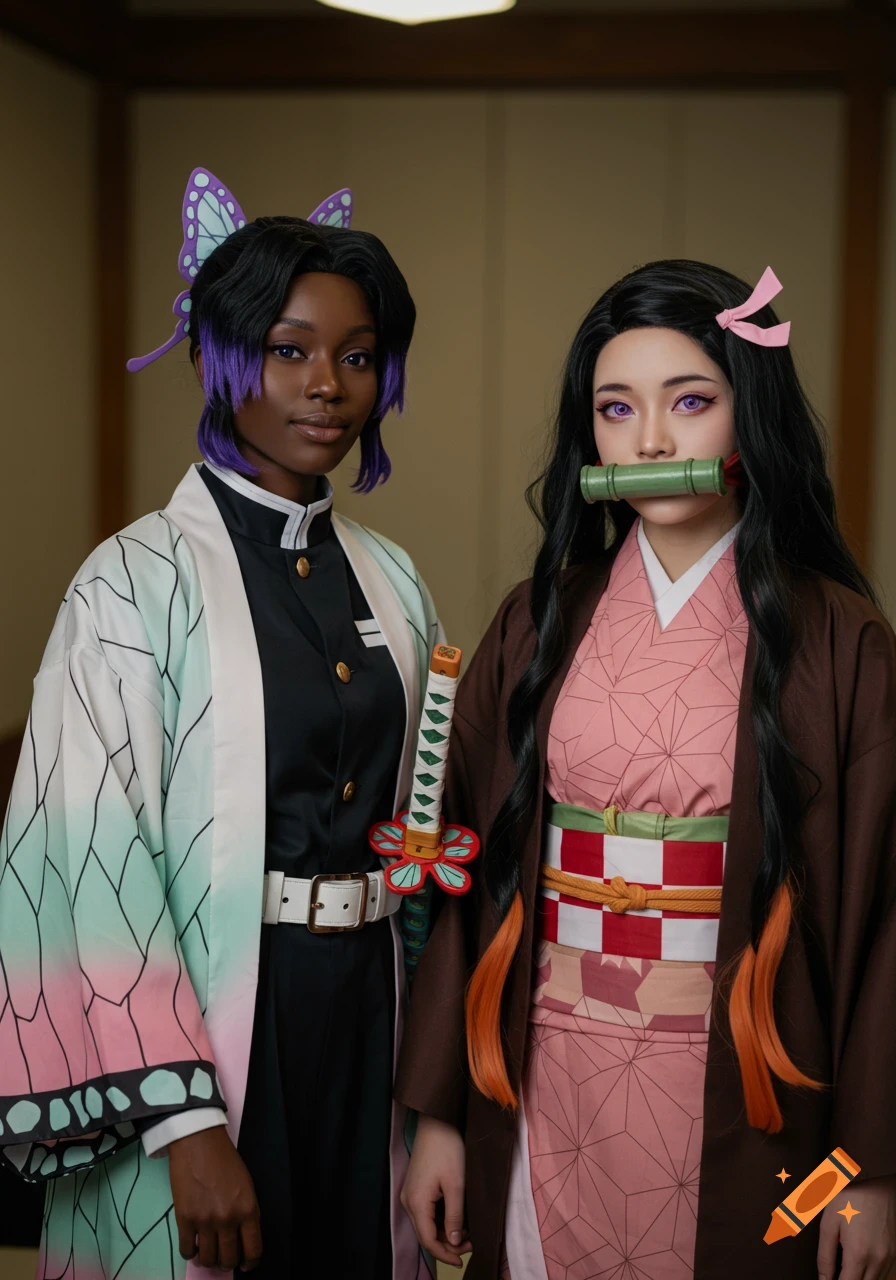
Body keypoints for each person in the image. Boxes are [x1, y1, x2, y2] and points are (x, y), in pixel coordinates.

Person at [395, 260, 896, 1280]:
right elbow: (466, 867)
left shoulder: (841, 641)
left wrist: (871, 1165)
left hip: (748, 1080)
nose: (652, 443)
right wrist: (438, 1110)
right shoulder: (537, 620)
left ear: (746, 417)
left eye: (690, 402)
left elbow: (884, 912)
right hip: (542, 1065)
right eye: (614, 409)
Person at [0, 170, 439, 1279]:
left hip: (366, 1012)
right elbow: (91, 863)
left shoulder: (394, 579)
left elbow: (429, 819)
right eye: (289, 350)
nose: (327, 385)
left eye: (356, 353)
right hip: (209, 1029)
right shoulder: (128, 587)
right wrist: (184, 1122)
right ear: (219, 355)